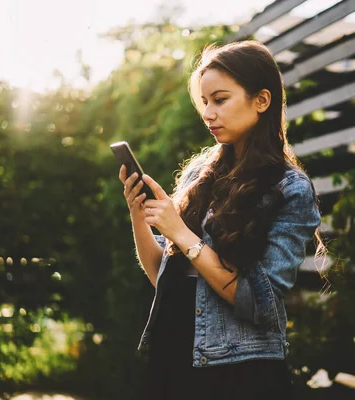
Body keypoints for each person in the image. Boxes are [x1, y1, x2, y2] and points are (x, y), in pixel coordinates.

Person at [118, 40, 325, 400]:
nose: (208, 113)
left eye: (220, 99)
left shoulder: (290, 188)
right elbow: (163, 279)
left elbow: (260, 304)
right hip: (174, 354)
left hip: (237, 371)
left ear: (261, 100)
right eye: (204, 102)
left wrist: (183, 235)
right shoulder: (200, 174)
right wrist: (140, 216)